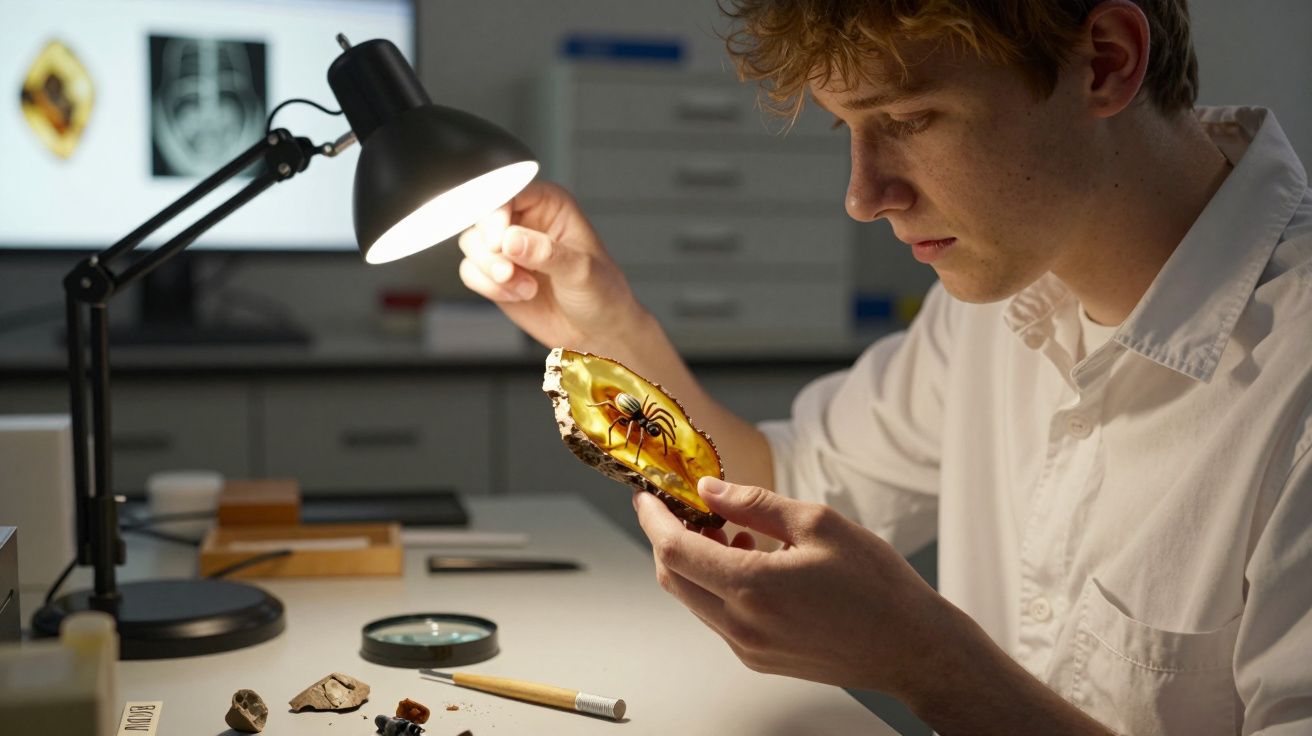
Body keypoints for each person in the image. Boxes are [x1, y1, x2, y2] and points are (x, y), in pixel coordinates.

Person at [458, 0, 1312, 732]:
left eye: (908, 120)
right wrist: (609, 320)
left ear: (1105, 62)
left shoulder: (1293, 380)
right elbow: (783, 492)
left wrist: (929, 665)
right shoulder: (1000, 295)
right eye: (849, 128)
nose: (863, 197)